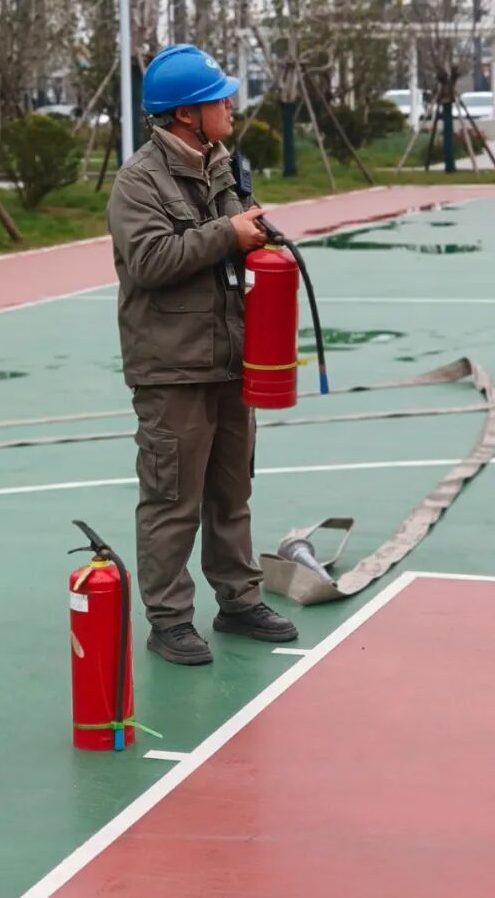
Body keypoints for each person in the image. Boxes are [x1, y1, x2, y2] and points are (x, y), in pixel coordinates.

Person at [106, 44, 299, 665]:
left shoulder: (224, 166)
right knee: (172, 501)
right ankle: (169, 621)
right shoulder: (138, 181)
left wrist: (255, 238)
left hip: (231, 359)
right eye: (220, 99)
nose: (230, 107)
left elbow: (234, 244)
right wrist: (228, 233)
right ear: (187, 114)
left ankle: (239, 601)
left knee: (231, 492)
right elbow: (150, 261)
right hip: (172, 367)